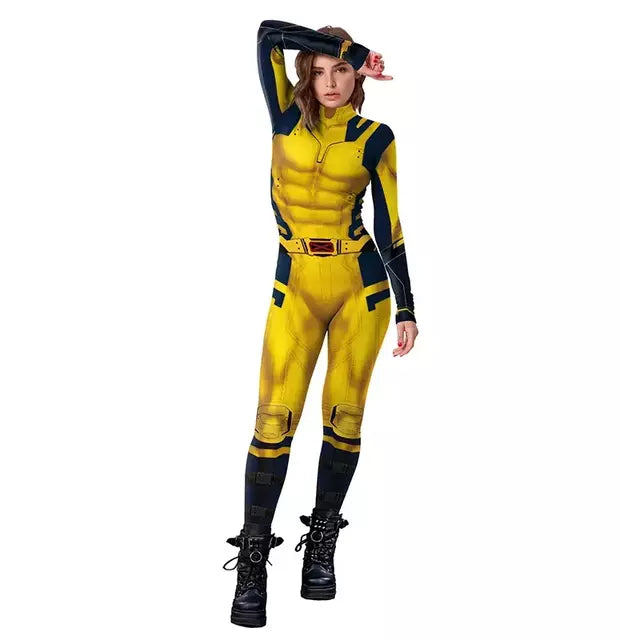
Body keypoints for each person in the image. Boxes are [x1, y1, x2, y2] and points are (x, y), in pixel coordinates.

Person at [222, 19, 419, 627]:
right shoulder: (285, 116)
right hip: (296, 285)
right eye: (319, 70)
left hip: (361, 286)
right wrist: (351, 48)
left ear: (357, 80)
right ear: (305, 76)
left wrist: (407, 305)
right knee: (273, 420)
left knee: (344, 418)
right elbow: (266, 35)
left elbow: (388, 222)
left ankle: (322, 547)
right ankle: (253, 560)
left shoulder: (376, 137)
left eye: (342, 71)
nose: (330, 81)